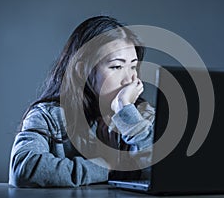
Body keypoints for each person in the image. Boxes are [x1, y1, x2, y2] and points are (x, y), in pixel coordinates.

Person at [9, 15, 155, 187]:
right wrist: (108, 167)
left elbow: (167, 171)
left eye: (133, 66)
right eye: (116, 66)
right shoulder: (48, 117)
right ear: (82, 70)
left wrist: (127, 115)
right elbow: (24, 169)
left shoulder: (140, 115)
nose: (129, 79)